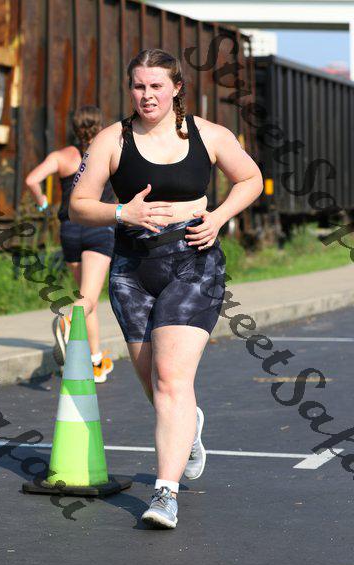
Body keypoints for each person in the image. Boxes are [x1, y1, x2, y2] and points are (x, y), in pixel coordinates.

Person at [69, 49, 263, 529]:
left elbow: (251, 178)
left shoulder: (209, 134)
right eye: (139, 86)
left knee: (172, 378)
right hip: (133, 270)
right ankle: (188, 426)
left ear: (176, 88)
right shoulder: (112, 139)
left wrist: (219, 216)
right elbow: (78, 204)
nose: (147, 95)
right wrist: (122, 212)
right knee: (154, 384)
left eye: (156, 85)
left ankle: (165, 494)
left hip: (193, 262)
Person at [25, 106, 115, 383]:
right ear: (100, 126)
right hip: (99, 227)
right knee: (88, 299)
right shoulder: (107, 153)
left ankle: (95, 361)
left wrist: (42, 202)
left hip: (70, 230)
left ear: (74, 128)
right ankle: (66, 324)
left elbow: (31, 179)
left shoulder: (61, 156)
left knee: (86, 298)